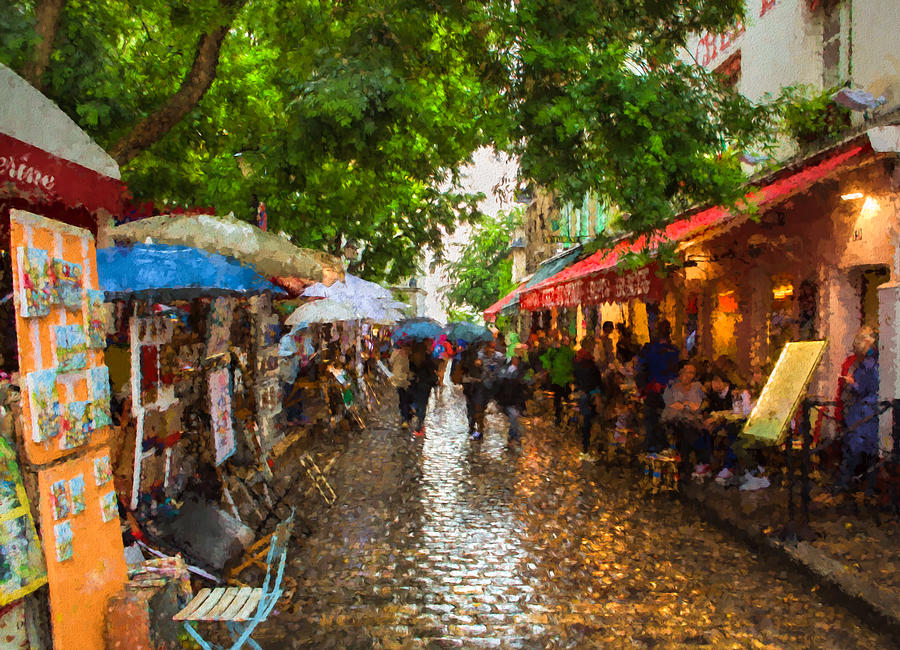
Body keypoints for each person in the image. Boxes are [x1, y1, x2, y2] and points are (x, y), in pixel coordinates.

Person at [836, 328, 880, 494]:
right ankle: (868, 486)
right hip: (870, 410)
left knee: (852, 448)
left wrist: (851, 382)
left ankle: (845, 483)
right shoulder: (875, 360)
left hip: (862, 411)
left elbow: (861, 387)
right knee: (869, 452)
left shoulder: (868, 363)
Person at [636, 320, 680, 452]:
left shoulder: (649, 349)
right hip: (668, 389)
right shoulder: (673, 350)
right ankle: (662, 446)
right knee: (662, 419)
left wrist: (642, 387)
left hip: (654, 388)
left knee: (652, 419)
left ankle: (652, 447)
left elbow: (641, 368)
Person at [661, 361, 706, 476]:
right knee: (683, 426)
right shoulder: (672, 386)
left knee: (692, 428)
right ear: (680, 373)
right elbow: (671, 404)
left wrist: (688, 406)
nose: (690, 375)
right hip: (674, 418)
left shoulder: (697, 387)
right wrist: (688, 405)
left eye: (693, 373)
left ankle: (688, 463)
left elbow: (700, 406)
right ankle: (685, 463)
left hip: (693, 419)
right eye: (688, 372)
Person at [574, 338, 604, 462]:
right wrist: (597, 396)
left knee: (587, 422)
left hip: (583, 393)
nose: (594, 347)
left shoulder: (579, 359)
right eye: (592, 344)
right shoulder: (587, 362)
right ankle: (585, 451)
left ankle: (586, 449)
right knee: (588, 423)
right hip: (588, 395)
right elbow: (592, 381)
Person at [541, 333, 575, 427]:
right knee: (560, 399)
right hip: (559, 379)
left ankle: (563, 418)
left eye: (567, 340)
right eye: (565, 340)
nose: (566, 342)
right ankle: (560, 417)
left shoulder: (567, 351)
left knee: (563, 398)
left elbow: (571, 363)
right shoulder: (560, 350)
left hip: (563, 379)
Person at [454, 342, 487, 439]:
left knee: (473, 405)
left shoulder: (471, 354)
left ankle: (474, 427)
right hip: (472, 382)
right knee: (475, 405)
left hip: (472, 382)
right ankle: (475, 427)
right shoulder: (469, 354)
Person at [495, 350, 528, 444]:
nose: (515, 360)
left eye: (517, 358)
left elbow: (525, 382)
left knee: (514, 415)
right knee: (514, 415)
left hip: (515, 398)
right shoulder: (505, 369)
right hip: (507, 398)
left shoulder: (521, 370)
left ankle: (512, 435)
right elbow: (500, 380)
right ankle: (514, 435)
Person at [408, 339, 438, 436]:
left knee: (419, 404)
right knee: (422, 407)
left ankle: (415, 409)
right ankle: (419, 428)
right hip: (425, 385)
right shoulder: (427, 359)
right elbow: (433, 371)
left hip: (416, 384)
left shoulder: (413, 357)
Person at [390, 341, 412, 427]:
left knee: (406, 400)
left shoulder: (410, 357)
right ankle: (405, 418)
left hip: (407, 382)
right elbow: (391, 363)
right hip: (399, 382)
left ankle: (407, 416)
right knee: (403, 400)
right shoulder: (396, 355)